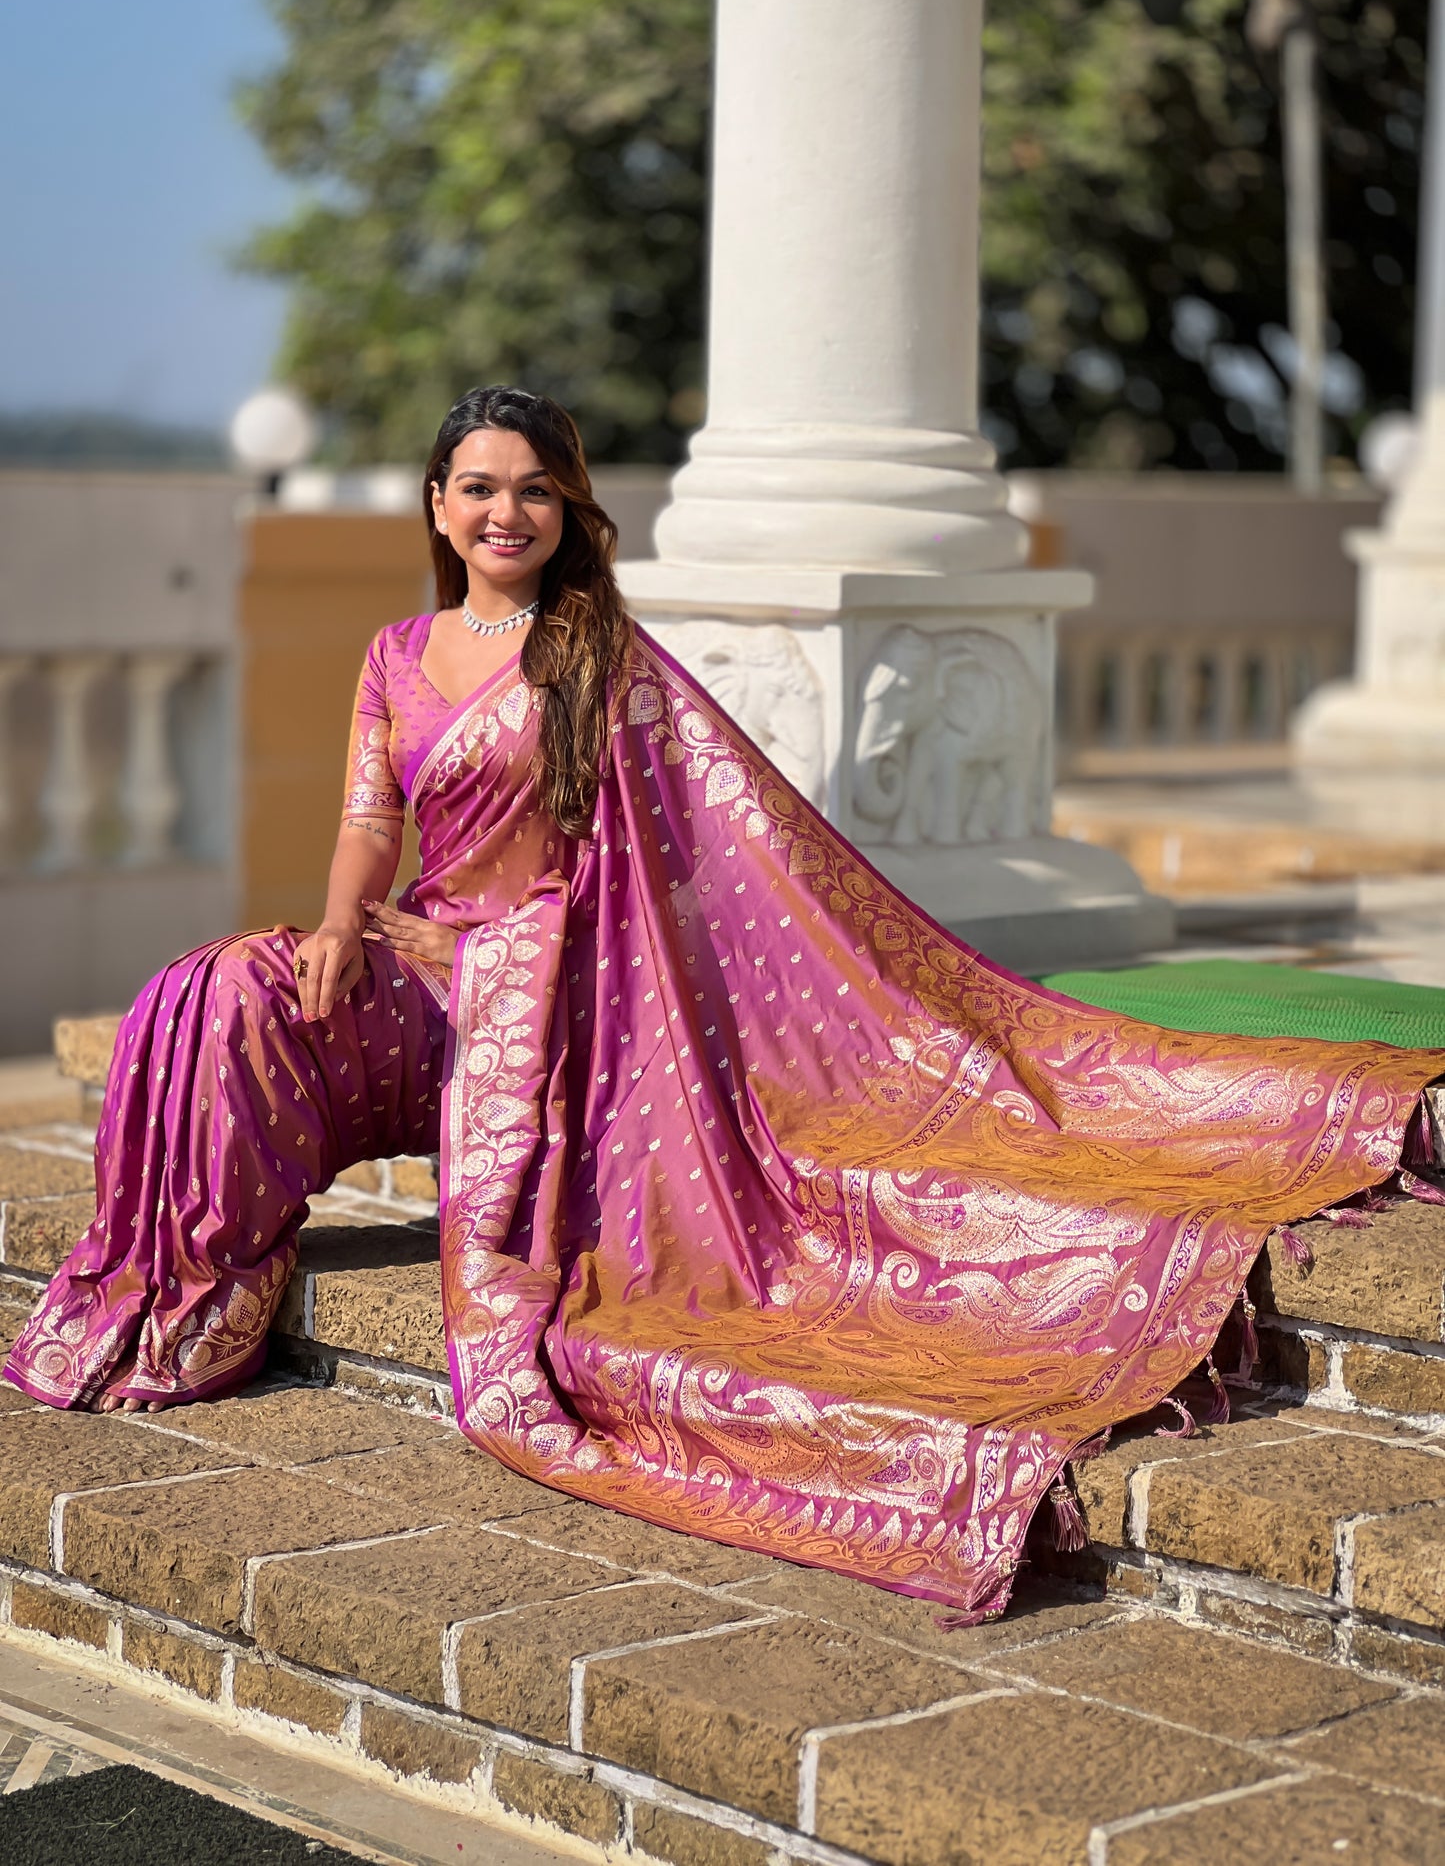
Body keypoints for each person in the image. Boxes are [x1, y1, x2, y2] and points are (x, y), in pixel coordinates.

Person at [8, 386, 1444, 1623]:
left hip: (557, 993)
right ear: (436, 505)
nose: (505, 516)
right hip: (427, 959)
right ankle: (190, 1291)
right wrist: (335, 929)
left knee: (369, 989)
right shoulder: (397, 654)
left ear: (568, 511)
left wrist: (510, 952)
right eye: (478, 490)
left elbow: (685, 861)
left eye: (535, 492)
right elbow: (367, 821)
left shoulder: (597, 662)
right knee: (216, 988)